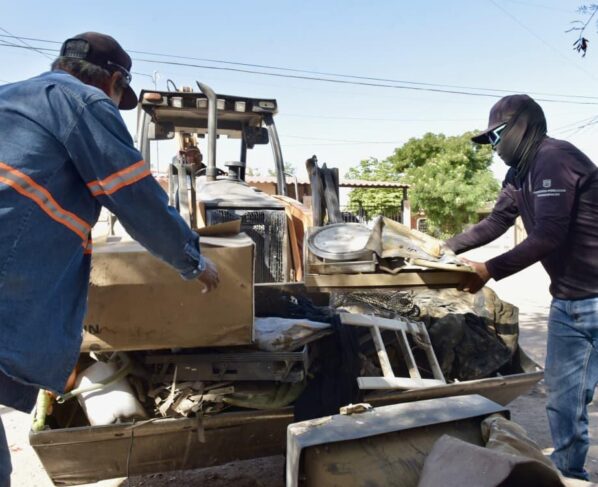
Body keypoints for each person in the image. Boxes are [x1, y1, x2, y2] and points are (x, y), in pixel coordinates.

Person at [0, 32, 219, 486]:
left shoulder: (11, 96)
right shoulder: (83, 103)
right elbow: (133, 195)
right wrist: (193, 260)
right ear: (115, 81)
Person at [446, 94, 598, 481]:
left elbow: (548, 235)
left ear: (523, 126)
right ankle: (570, 477)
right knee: (563, 401)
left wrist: (489, 269)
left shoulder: (554, 158)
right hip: (567, 303)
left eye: (496, 136)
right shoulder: (518, 174)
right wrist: (442, 249)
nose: (494, 147)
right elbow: (496, 222)